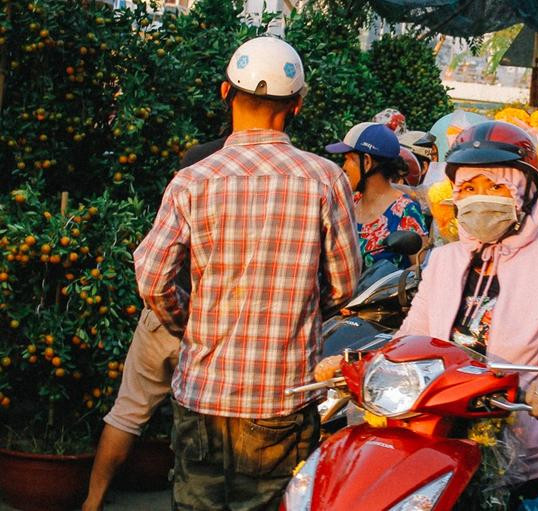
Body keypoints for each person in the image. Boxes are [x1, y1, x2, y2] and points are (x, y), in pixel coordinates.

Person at [136, 36, 361, 510]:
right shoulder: (324, 179)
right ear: (297, 106)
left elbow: (153, 276)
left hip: (203, 396)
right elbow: (343, 284)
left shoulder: (193, 180)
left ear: (225, 93)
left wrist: (187, 324)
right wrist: (301, 308)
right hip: (282, 400)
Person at [388, 120, 538, 509]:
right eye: (468, 188)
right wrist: (367, 364)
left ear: (526, 191)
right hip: (451, 447)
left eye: (495, 186)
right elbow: (412, 334)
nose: (480, 197)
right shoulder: (444, 259)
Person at [81, 139, 229, 511]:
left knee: (127, 412)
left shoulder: (191, 172)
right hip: (217, 324)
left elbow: (155, 261)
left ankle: (92, 502)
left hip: (166, 312)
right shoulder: (258, 176)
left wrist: (172, 314)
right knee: (212, 421)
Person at [326, 122, 427, 269]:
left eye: (349, 159)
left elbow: (420, 269)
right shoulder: (349, 203)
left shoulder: (406, 211)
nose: (344, 167)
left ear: (366, 162)